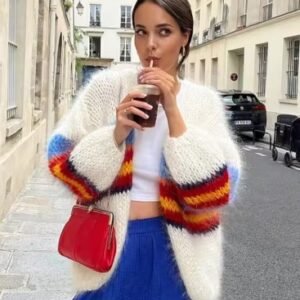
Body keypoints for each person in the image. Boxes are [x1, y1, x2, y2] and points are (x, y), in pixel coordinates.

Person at [47, 0, 242, 299]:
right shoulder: (106, 88)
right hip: (109, 246)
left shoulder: (203, 104)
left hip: (175, 255)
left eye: (163, 32)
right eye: (141, 31)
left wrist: (174, 113)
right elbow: (63, 167)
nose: (150, 45)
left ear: (185, 37)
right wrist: (115, 134)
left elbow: (216, 193)